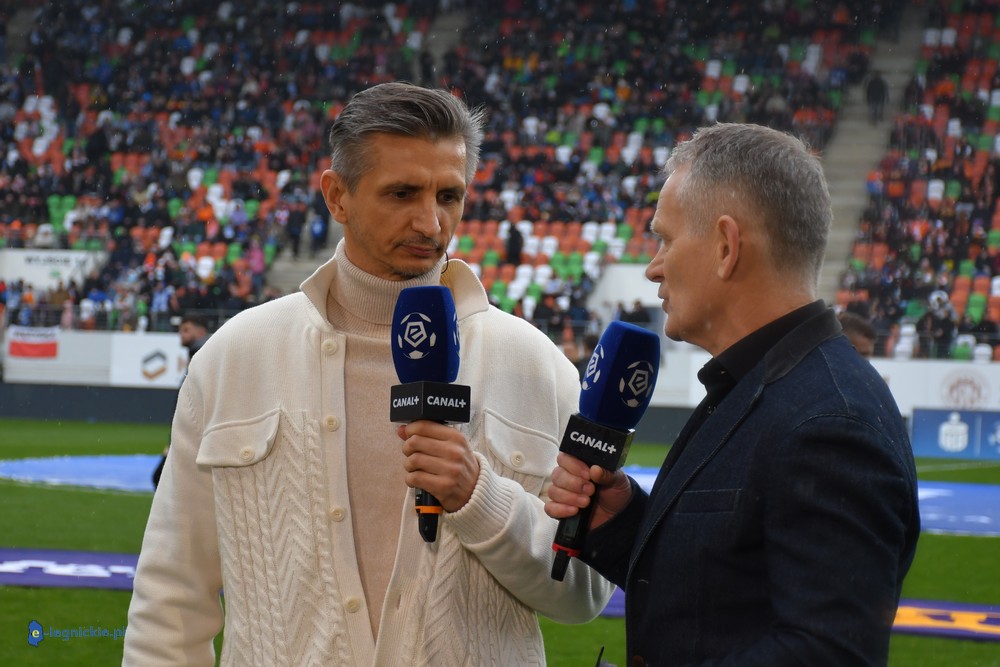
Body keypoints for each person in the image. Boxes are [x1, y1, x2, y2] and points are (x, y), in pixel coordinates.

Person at [124, 82, 612, 666]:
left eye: (449, 196)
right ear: (337, 196)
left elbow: (585, 594)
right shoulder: (235, 356)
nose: (431, 222)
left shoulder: (534, 365)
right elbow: (171, 597)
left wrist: (480, 498)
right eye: (402, 194)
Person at [545, 123, 920, 666]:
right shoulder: (762, 383)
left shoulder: (830, 422)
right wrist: (622, 521)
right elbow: (723, 591)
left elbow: (826, 653)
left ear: (726, 246)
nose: (653, 267)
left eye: (665, 239)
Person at [151, 312, 211, 489]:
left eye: (186, 330)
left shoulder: (201, 353)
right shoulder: (201, 353)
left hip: (192, 434)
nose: (181, 334)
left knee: (162, 480)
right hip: (193, 434)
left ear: (200, 332)